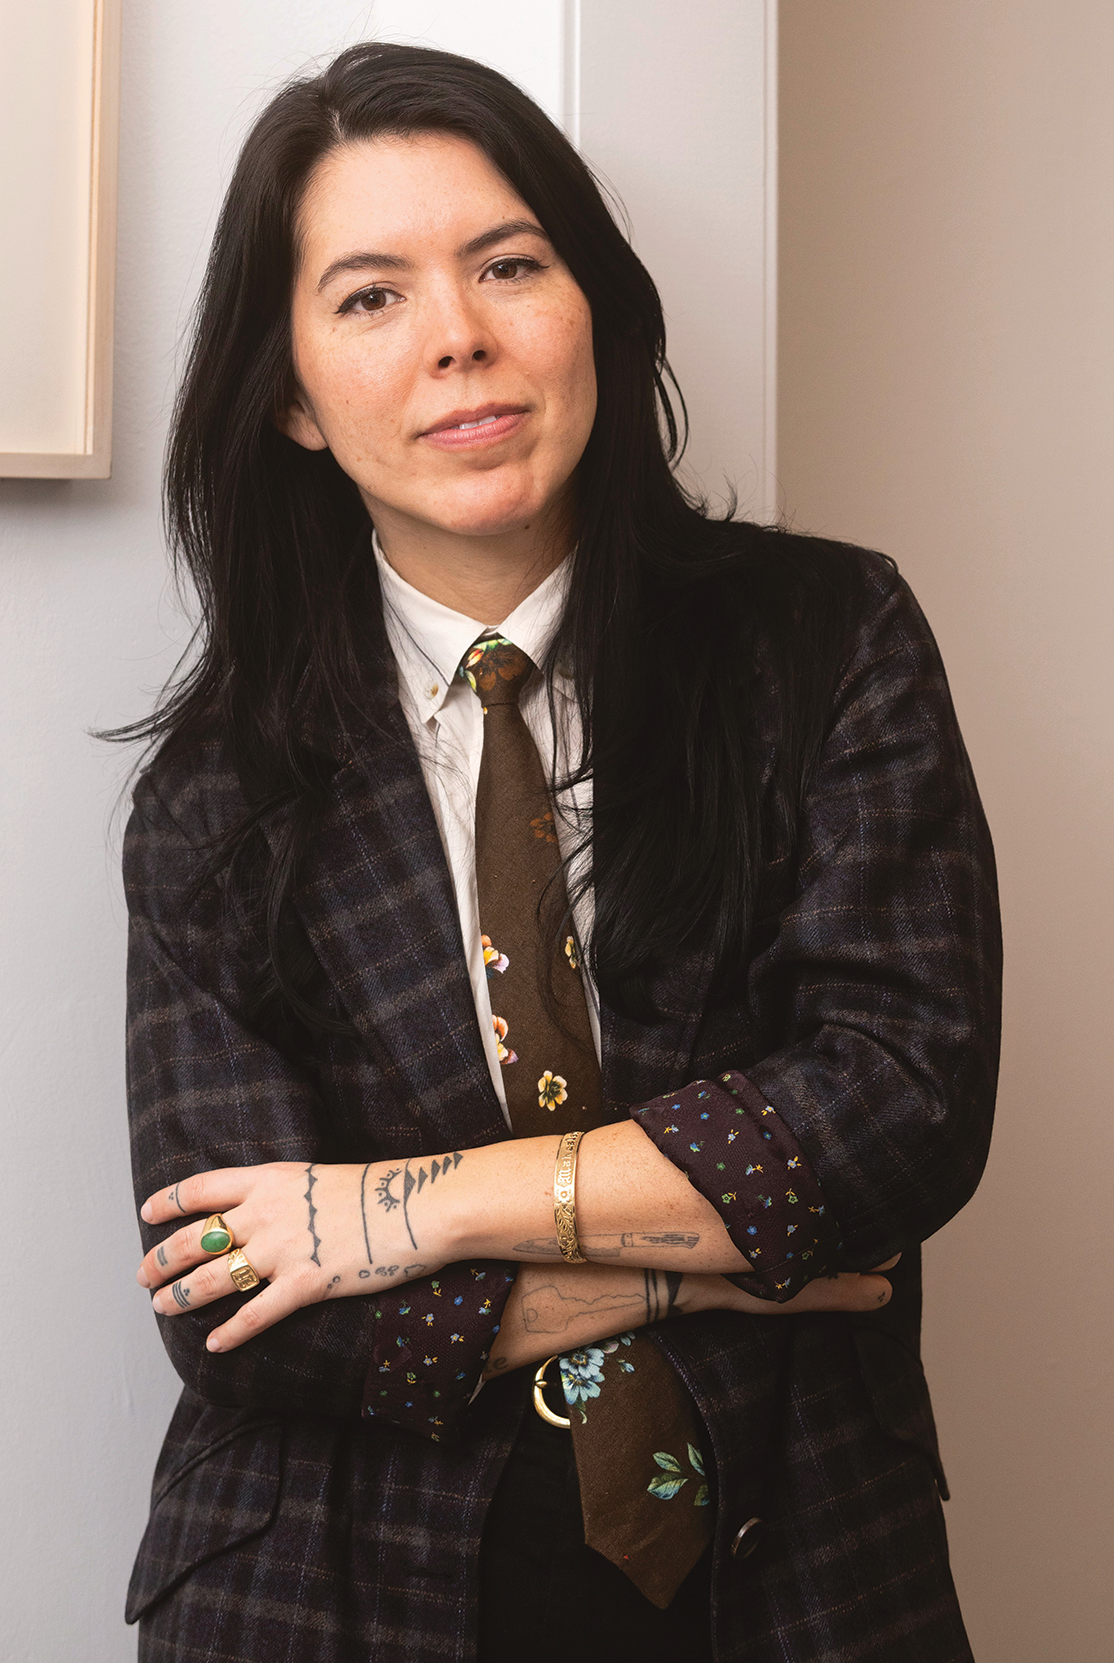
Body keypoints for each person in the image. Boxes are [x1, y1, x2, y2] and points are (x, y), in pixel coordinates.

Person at [120, 42, 1000, 1663]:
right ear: (294, 399)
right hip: (329, 1579)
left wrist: (404, 1209)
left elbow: (901, 1108)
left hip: (802, 1563)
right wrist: (726, 1264)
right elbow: (236, 1302)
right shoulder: (214, 790)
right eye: (371, 297)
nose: (459, 334)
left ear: (594, 304)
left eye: (509, 265)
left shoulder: (826, 639)